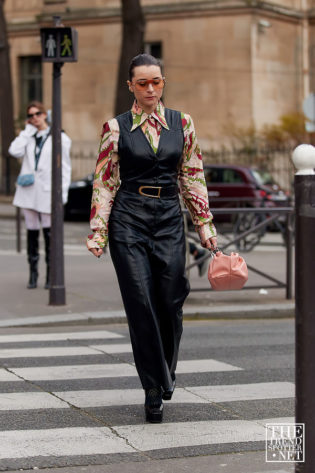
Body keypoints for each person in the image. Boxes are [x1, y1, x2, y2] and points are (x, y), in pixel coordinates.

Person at [87, 54, 217, 423]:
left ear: (163, 83)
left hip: (169, 220)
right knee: (141, 302)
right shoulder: (116, 127)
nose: (149, 89)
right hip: (128, 220)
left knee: (173, 298)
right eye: (142, 83)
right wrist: (98, 231)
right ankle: (153, 388)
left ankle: (164, 370)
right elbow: (105, 180)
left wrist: (205, 226)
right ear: (130, 86)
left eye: (156, 82)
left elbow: (192, 175)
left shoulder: (183, 123)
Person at [9, 101, 71, 289]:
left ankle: (50, 276)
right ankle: (33, 274)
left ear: (45, 115)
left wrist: (62, 195)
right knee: (31, 234)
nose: (34, 118)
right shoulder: (28, 137)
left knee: (49, 235)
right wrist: (26, 132)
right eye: (30, 116)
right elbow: (14, 151)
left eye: (37, 114)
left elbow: (65, 169)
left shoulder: (60, 138)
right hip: (28, 192)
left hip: (47, 193)